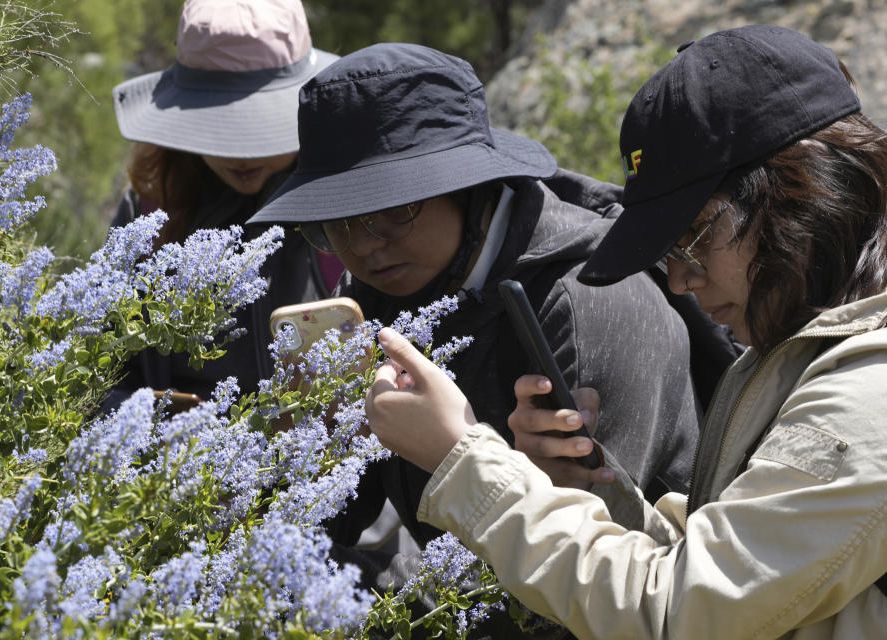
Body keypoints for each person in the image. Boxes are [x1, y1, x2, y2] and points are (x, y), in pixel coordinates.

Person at [365, 24, 887, 639]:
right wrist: (580, 486)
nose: (681, 281)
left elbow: (678, 614)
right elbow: (722, 568)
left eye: (692, 239)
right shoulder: (795, 356)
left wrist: (463, 461)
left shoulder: (866, 396)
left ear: (803, 195)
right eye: (668, 253)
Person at [248, 43, 724, 559]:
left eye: (395, 208)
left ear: (470, 186)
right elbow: (323, 526)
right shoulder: (380, 287)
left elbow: (598, 575)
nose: (362, 244)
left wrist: (475, 462)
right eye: (333, 222)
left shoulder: (589, 302)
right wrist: (310, 446)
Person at [103, 0, 341, 409]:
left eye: (262, 124)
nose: (241, 154)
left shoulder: (346, 203)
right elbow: (104, 364)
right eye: (219, 126)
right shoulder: (151, 207)